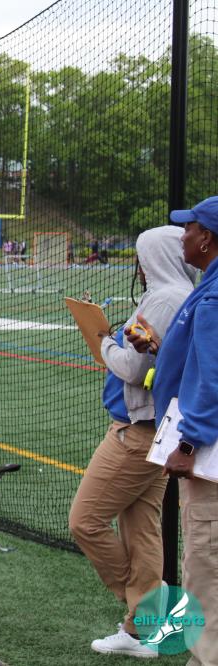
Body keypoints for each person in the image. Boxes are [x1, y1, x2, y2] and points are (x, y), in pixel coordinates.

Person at [68, 226, 197, 658]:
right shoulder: (181, 293)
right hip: (158, 431)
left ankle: (148, 611)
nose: (139, 268)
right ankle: (141, 632)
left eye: (142, 258)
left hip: (138, 432)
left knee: (84, 521)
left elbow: (132, 367)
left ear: (155, 257)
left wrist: (101, 341)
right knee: (142, 529)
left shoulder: (164, 299)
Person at [125, 196, 218, 665]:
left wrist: (187, 441)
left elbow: (213, 378)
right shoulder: (208, 287)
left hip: (207, 455)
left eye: (190, 227)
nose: (183, 235)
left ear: (207, 238)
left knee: (205, 568)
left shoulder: (214, 296)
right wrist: (165, 351)